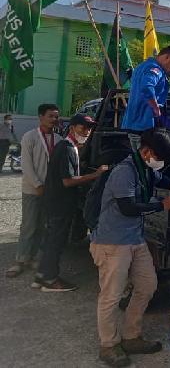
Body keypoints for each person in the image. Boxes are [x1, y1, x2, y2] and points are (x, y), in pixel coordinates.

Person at [90, 128, 170, 367]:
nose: (160, 163)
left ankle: (131, 336)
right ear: (146, 152)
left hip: (134, 239)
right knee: (111, 295)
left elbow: (159, 178)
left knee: (147, 285)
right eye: (159, 157)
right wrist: (160, 205)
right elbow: (128, 208)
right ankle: (109, 345)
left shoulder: (145, 168)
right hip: (113, 242)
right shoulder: (124, 171)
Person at [36, 115, 109, 291]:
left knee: (53, 238)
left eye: (89, 128)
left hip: (57, 201)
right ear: (72, 128)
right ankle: (50, 280)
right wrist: (95, 174)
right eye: (82, 127)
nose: (86, 131)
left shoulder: (69, 147)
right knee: (57, 240)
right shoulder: (67, 148)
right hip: (60, 203)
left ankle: (42, 275)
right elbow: (67, 181)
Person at [5, 104, 62, 279]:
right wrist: (38, 185)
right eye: (50, 116)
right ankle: (20, 260)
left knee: (42, 226)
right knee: (28, 225)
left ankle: (33, 258)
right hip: (32, 189)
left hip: (50, 191)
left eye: (56, 117)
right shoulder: (29, 137)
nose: (54, 119)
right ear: (40, 117)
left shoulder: (59, 140)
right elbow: (26, 165)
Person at [121, 42, 170, 150]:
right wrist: (156, 108)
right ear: (167, 58)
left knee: (137, 158)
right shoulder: (156, 70)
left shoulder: (142, 66)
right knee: (142, 161)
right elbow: (146, 87)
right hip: (143, 124)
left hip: (134, 123)